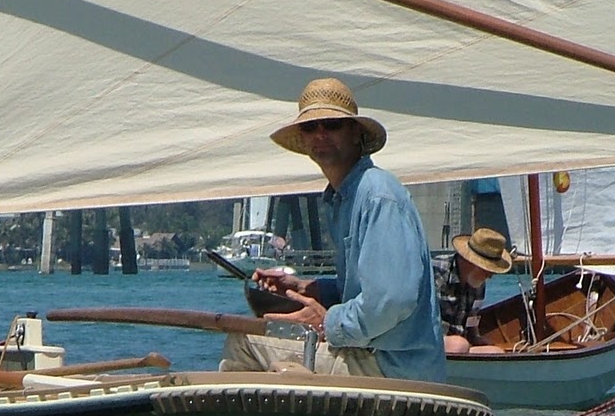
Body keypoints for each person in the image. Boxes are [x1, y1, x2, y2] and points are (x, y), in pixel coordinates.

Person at [220, 77, 445, 383]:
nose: (320, 133)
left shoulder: (377, 194)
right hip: (381, 358)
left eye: (331, 124)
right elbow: (367, 288)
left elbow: (391, 300)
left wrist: (327, 322)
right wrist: (307, 288)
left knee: (243, 341)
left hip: (392, 367)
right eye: (310, 127)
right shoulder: (345, 198)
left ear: (355, 133)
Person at [433, 227, 513, 354]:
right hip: (430, 341)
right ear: (471, 262)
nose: (490, 275)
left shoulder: (478, 282)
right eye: (488, 270)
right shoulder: (435, 270)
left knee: (496, 353)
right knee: (459, 345)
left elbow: (472, 322)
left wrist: (477, 337)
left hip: (460, 345)